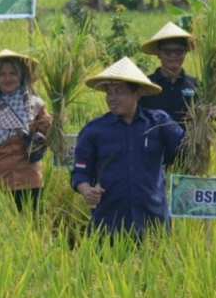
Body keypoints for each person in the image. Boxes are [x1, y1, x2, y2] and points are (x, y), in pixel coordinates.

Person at [71, 57, 185, 241]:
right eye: (108, 92)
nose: (112, 98)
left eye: (119, 91)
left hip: (153, 222)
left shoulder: (159, 123)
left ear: (136, 93)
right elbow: (80, 172)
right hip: (109, 224)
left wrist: (204, 122)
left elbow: (187, 148)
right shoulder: (94, 130)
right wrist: (86, 190)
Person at [0, 49, 51, 212]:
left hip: (29, 180)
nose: (8, 78)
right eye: (2, 74)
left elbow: (49, 136)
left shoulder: (35, 105)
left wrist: (55, 122)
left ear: (20, 76)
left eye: (13, 73)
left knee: (31, 230)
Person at [139, 22, 198, 128]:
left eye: (178, 51)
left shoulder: (195, 84)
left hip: (188, 143)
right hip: (154, 143)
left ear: (185, 53)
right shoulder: (145, 84)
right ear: (158, 53)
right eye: (167, 51)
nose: (173, 55)